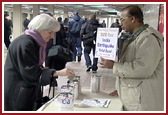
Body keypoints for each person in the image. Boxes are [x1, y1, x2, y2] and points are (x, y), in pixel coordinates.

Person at [4, 14, 75, 111]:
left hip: (27, 90)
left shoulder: (34, 42)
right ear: (40, 29)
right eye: (50, 32)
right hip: (18, 93)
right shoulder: (25, 44)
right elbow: (30, 73)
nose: (52, 36)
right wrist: (57, 72)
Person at [99, 5, 164, 111]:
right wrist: (121, 88)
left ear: (133, 19)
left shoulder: (148, 39)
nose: (120, 24)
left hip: (144, 101)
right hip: (136, 95)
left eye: (122, 20)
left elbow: (143, 69)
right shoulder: (136, 37)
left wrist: (114, 66)